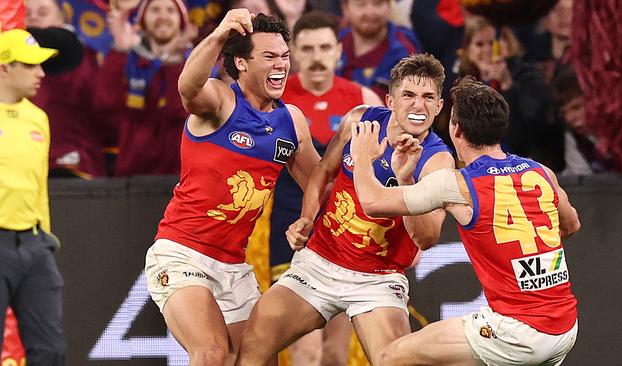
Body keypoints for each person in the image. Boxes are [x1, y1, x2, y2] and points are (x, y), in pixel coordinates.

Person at [236, 53, 455, 366]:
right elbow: (323, 171)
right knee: (253, 345)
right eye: (408, 95)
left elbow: (427, 238)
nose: (418, 106)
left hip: (377, 279)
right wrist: (307, 219)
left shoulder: (437, 161)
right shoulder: (359, 121)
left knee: (397, 362)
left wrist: (405, 180)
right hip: (319, 263)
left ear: (438, 106)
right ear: (390, 100)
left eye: (428, 97)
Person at [349, 76, 580, 366]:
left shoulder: (457, 185)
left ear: (455, 130)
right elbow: (571, 226)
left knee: (390, 357)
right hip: (565, 327)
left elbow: (372, 202)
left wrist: (361, 156)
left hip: (516, 332)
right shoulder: (542, 173)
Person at [144, 10, 319, 366]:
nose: (281, 65)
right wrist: (219, 35)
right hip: (181, 253)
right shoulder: (220, 101)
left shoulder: (291, 121)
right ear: (240, 61)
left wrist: (309, 217)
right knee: (211, 352)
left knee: (258, 358)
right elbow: (187, 87)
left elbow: (319, 184)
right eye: (269, 57)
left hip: (233, 265)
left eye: (284, 56)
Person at [269, 10, 383, 366]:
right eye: (307, 49)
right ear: (294, 53)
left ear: (339, 51)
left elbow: (384, 169)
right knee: (306, 350)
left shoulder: (363, 101)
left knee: (336, 353)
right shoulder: (276, 100)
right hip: (292, 230)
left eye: (324, 47)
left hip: (345, 235)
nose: (316, 57)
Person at [0, 28, 65, 366]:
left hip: (34, 244)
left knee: (50, 350)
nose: (40, 73)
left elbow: (38, 183)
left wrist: (45, 238)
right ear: (4, 68)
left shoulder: (38, 117)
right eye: (30, 65)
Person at [94, 0, 197, 176]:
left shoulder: (197, 62)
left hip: (182, 174)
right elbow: (105, 106)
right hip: (132, 174)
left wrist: (174, 60)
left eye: (170, 10)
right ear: (142, 20)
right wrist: (119, 49)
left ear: (182, 21)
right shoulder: (128, 61)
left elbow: (180, 111)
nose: (163, 16)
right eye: (155, 10)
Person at [455, 16, 563, 171]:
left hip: (525, 164)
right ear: (468, 50)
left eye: (493, 43)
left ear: (507, 44)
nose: (487, 50)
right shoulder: (461, 81)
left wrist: (507, 86)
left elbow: (526, 134)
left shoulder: (529, 76)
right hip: (476, 165)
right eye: (479, 44)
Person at [26, 0, 108, 179]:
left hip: (75, 166)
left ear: (62, 18)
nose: (33, 18)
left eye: (42, 12)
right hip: (24, 167)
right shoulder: (8, 64)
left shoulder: (83, 59)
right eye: (27, 13)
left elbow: (103, 111)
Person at [337, 0, 421, 98]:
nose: (370, 12)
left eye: (378, 3)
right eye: (361, 4)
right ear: (345, 8)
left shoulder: (405, 54)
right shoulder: (331, 43)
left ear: (389, 6)